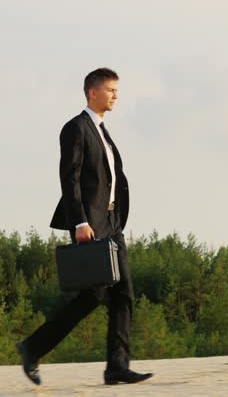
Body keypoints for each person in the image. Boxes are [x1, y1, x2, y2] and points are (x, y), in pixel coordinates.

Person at [17, 68, 153, 386]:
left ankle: (117, 366)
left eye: (117, 90)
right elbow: (70, 177)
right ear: (93, 92)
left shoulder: (103, 131)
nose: (116, 95)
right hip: (90, 224)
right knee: (92, 297)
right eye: (111, 90)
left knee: (124, 294)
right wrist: (79, 221)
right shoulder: (76, 128)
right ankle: (32, 347)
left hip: (112, 223)